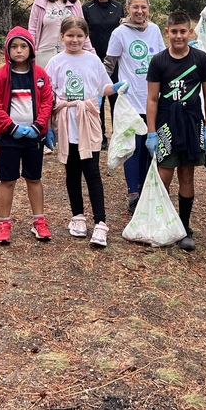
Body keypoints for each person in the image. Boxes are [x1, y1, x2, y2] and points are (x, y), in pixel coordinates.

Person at [45, 17, 128, 248]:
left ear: (86, 37)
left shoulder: (93, 61)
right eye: (70, 35)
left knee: (92, 172)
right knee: (71, 172)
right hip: (66, 121)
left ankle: (101, 222)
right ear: (62, 36)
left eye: (79, 36)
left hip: (88, 121)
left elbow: (103, 87)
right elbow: (48, 92)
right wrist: (47, 126)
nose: (74, 40)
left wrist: (117, 87)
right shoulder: (55, 62)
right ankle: (78, 216)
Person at [145, 10, 206, 251]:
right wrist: (151, 132)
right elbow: (152, 99)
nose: (178, 36)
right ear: (167, 33)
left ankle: (184, 227)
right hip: (166, 125)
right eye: (174, 32)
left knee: (187, 174)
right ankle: (163, 223)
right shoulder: (159, 61)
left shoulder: (200, 59)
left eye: (183, 31)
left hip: (191, 123)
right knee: (165, 175)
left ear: (190, 32)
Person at [0, 27, 55, 245]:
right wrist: (11, 128)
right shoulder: (0, 76)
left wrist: (38, 126)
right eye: (14, 47)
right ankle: (4, 223)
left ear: (31, 49)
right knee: (7, 180)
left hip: (34, 136)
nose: (19, 51)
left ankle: (39, 221)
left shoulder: (40, 75)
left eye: (23, 46)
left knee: (34, 178)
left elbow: (47, 102)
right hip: (9, 137)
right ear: (7, 50)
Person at [104, 0, 165, 212]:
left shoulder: (155, 30)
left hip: (152, 98)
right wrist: (99, 86)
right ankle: (133, 193)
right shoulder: (120, 33)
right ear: (128, 8)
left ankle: (147, 188)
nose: (140, 11)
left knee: (151, 147)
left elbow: (163, 60)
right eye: (135, 7)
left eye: (144, 7)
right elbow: (109, 64)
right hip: (130, 100)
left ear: (148, 9)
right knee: (133, 148)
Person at [82, 0, 125, 148]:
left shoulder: (118, 6)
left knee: (115, 97)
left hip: (115, 60)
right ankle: (100, 136)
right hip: (94, 59)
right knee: (97, 98)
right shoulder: (87, 7)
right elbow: (83, 33)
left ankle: (117, 135)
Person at [28, 0, 93, 68]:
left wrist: (91, 52)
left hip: (69, 55)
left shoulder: (75, 3)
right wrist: (30, 52)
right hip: (44, 55)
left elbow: (82, 30)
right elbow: (32, 30)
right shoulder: (40, 2)